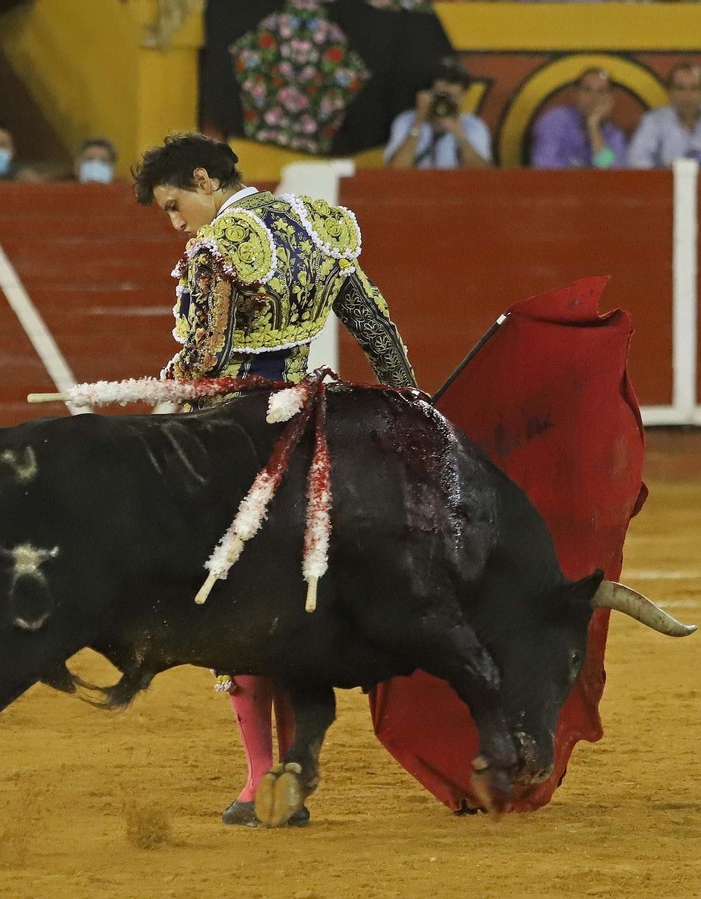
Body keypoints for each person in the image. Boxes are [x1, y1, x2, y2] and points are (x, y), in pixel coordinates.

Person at [133, 133, 417, 827]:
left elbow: (207, 356)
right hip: (314, 427)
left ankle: (262, 777)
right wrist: (414, 410)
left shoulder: (218, 246)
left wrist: (163, 391)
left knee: (223, 595)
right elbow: (379, 333)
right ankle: (297, 759)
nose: (177, 223)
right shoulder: (323, 225)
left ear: (204, 178)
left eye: (176, 205)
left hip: (239, 439)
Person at [626, 62, 701, 169]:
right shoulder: (654, 120)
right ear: (670, 92)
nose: (687, 96)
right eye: (680, 89)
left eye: (694, 89)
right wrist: (669, 171)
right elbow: (636, 161)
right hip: (665, 187)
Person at [384, 57, 492, 169]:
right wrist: (418, 123)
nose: (447, 102)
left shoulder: (473, 125)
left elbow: (483, 175)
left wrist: (460, 135)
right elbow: (396, 171)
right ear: (427, 95)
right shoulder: (406, 121)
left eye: (454, 97)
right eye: (442, 96)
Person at [529, 67, 627, 170]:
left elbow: (610, 172)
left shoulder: (613, 135)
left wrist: (593, 127)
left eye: (601, 91)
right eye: (587, 90)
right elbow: (542, 164)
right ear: (576, 94)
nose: (593, 98)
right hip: (558, 185)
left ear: (609, 99)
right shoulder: (554, 121)